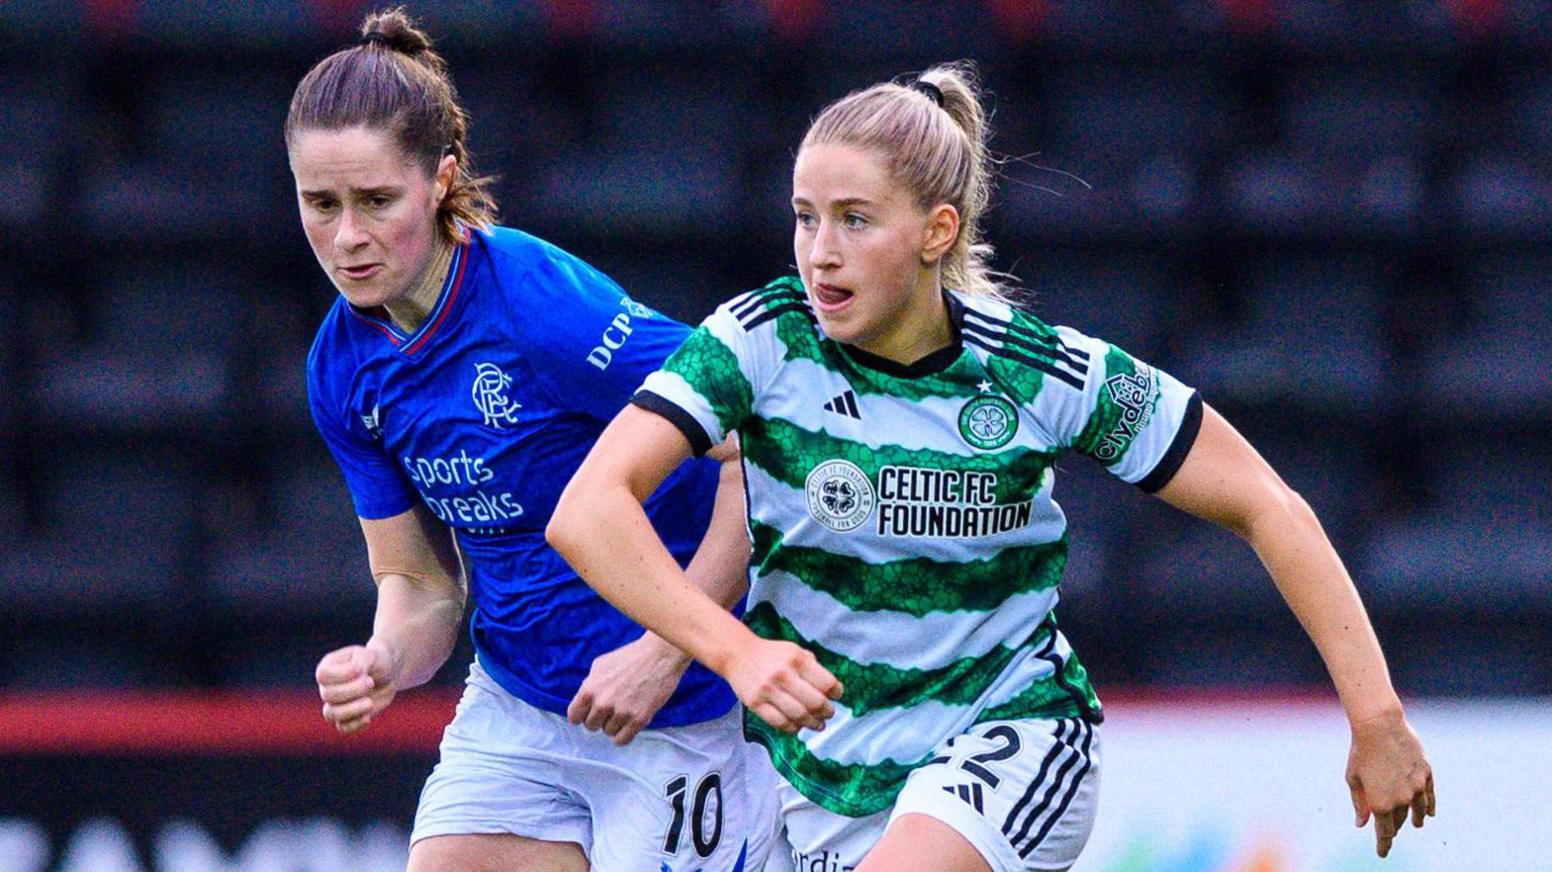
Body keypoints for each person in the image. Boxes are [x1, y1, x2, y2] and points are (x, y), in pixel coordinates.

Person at [547, 62, 1436, 872]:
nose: (820, 252)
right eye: (806, 217)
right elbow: (587, 510)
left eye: (855, 220)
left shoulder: (1034, 370)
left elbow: (1267, 503)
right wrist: (729, 652)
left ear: (938, 231)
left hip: (1009, 733)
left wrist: (1377, 719)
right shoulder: (759, 340)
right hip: (823, 777)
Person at [285, 9, 781, 871]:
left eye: (376, 201)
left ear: (440, 181)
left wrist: (665, 654)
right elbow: (417, 580)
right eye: (319, 205)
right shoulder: (340, 368)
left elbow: (763, 451)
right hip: (518, 706)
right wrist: (385, 657)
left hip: (683, 714)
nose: (348, 237)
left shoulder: (540, 308)